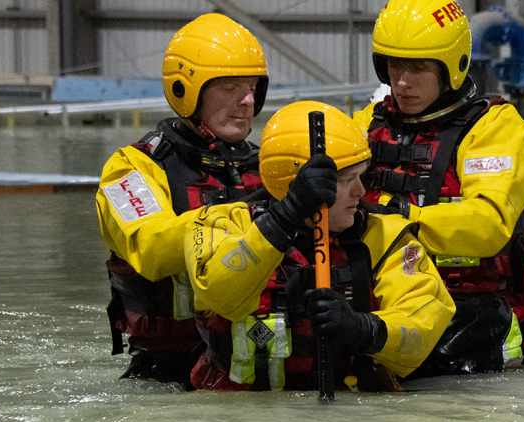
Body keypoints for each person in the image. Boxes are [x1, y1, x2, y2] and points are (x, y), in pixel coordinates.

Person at [354, 0, 524, 376]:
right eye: (393, 65)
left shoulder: (496, 129)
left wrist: (398, 220)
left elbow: (488, 224)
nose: (402, 81)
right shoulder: (364, 124)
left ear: (452, 66)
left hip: (469, 317)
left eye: (418, 67)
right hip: (378, 307)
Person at [184, 101, 455, 391]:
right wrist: (287, 214)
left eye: (362, 176)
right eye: (346, 180)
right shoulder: (220, 224)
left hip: (348, 419)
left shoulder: (385, 235)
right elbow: (219, 292)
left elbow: (426, 320)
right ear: (293, 183)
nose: (361, 191)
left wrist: (361, 327)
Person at [96, 13, 269, 389]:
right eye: (229, 88)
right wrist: (256, 215)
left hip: (251, 368)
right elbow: (151, 245)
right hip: (166, 376)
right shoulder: (130, 168)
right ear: (184, 90)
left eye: (254, 87)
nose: (247, 101)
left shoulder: (271, 166)